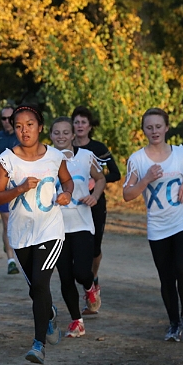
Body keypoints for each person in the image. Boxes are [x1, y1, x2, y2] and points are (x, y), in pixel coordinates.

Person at [0, 105, 73, 364]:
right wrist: (20, 189)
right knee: (35, 289)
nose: (24, 130)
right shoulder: (6, 159)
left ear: (39, 127)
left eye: (29, 124)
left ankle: (38, 345)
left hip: (50, 230)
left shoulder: (55, 156)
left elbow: (67, 181)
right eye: (18, 126)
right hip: (20, 234)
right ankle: (48, 314)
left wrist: (67, 193)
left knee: (40, 283)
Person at [123, 108, 183, 341]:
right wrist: (146, 179)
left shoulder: (180, 153)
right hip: (158, 225)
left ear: (167, 127)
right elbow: (127, 194)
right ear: (144, 130)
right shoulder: (137, 160)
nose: (154, 131)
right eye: (149, 127)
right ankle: (173, 323)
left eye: (158, 126)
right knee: (166, 276)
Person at [49, 117, 106, 338]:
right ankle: (77, 321)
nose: (61, 136)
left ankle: (90, 288)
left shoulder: (85, 157)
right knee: (65, 277)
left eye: (65, 132)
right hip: (56, 226)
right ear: (51, 135)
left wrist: (95, 196)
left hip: (82, 223)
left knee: (82, 272)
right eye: (57, 133)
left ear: (73, 135)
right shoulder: (47, 159)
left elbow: (100, 178)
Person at [71, 106, 121, 313]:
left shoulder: (98, 148)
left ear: (90, 126)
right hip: (72, 205)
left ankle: (94, 279)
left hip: (95, 201)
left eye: (84, 122)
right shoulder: (65, 147)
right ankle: (88, 286)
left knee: (95, 247)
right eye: (76, 122)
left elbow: (115, 174)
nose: (80, 126)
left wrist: (95, 180)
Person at [0, 106, 21, 275]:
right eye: (4, 118)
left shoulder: (22, 136)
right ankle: (11, 260)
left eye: (10, 118)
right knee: (7, 222)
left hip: (22, 186)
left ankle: (18, 251)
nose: (7, 122)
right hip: (3, 187)